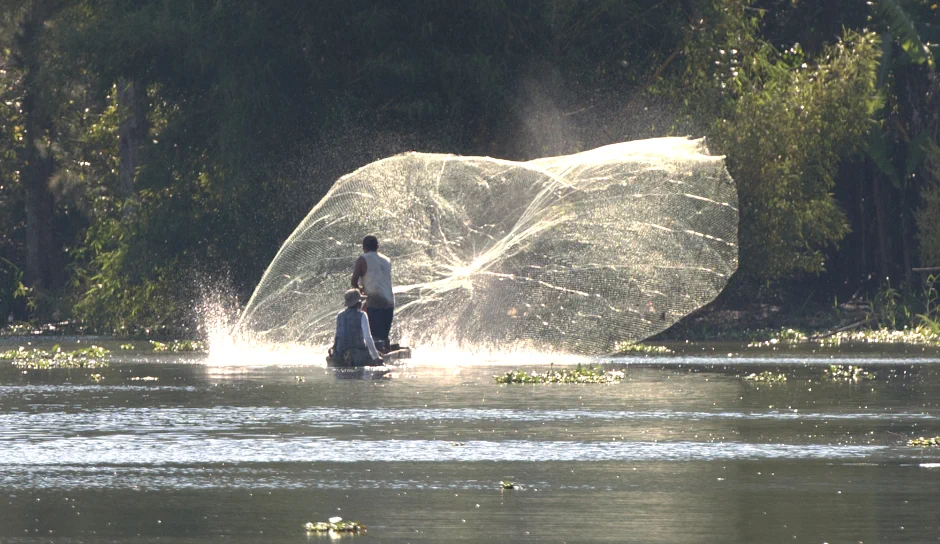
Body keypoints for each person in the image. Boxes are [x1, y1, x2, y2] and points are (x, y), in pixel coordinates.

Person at [351, 235, 395, 351]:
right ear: (378, 247)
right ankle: (386, 350)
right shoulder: (387, 260)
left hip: (374, 300)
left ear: (363, 247)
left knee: (372, 334)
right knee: (383, 335)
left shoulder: (362, 259)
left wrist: (361, 295)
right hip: (389, 301)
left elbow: (354, 281)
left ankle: (373, 355)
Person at [329, 289, 383, 366]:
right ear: (359, 303)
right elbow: (367, 338)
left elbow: (338, 336)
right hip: (357, 352)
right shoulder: (362, 315)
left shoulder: (340, 315)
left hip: (340, 353)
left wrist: (334, 350)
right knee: (379, 355)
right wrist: (376, 358)